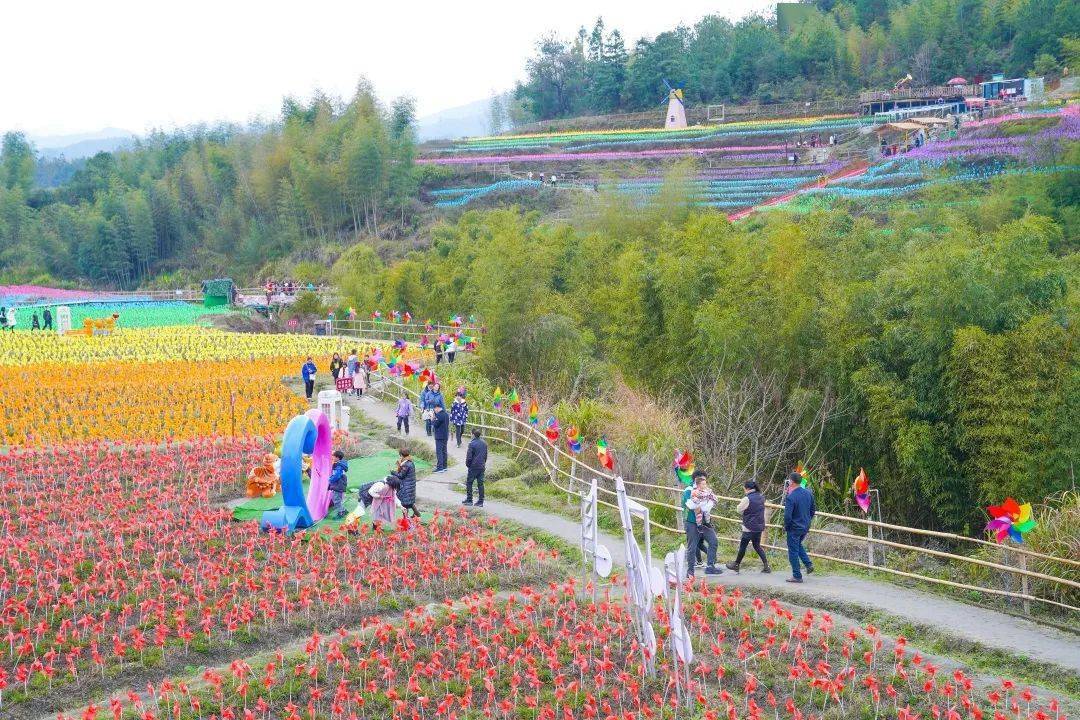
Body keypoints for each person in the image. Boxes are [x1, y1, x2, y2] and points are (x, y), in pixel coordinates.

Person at [726, 481, 771, 573]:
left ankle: (736, 564)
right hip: (759, 526)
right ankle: (767, 566)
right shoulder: (761, 497)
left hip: (749, 526)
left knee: (743, 546)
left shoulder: (747, 499)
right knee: (757, 546)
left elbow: (739, 509)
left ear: (747, 488)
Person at [683, 470, 721, 577]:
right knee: (692, 546)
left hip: (705, 522)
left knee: (713, 541)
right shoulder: (688, 490)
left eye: (705, 480)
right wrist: (705, 505)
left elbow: (712, 499)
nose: (704, 482)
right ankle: (690, 571)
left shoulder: (706, 490)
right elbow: (690, 505)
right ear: (696, 480)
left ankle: (710, 566)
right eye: (702, 480)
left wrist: (708, 504)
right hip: (692, 522)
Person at [783, 472, 816, 583]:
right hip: (805, 526)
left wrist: (786, 527)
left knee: (792, 551)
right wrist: (807, 521)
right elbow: (812, 510)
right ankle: (808, 564)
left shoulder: (791, 497)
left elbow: (787, 516)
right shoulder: (808, 493)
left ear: (791, 482)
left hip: (794, 527)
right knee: (797, 545)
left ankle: (797, 575)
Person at [391, 447, 420, 518]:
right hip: (410, 486)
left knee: (404, 504)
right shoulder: (410, 462)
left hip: (406, 487)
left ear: (401, 455)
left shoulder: (406, 464)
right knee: (410, 502)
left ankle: (406, 519)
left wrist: (393, 472)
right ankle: (417, 514)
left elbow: (401, 475)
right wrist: (399, 465)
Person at [463, 429, 488, 506]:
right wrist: (483, 463)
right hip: (481, 466)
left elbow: (469, 457)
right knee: (480, 484)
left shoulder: (472, 444)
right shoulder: (484, 443)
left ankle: (469, 500)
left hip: (473, 467)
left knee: (469, 483)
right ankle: (480, 501)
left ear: (473, 434)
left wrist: (468, 465)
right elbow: (485, 456)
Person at [327, 451, 350, 519]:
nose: (332, 457)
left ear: (337, 457)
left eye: (333, 456)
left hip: (339, 485)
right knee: (336, 499)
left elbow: (336, 476)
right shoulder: (339, 464)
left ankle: (341, 512)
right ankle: (343, 510)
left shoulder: (339, 466)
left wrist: (330, 479)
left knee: (336, 500)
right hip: (339, 484)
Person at [431, 404, 449, 472]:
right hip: (445, 435)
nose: (434, 410)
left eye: (434, 409)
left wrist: (432, 419)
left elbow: (435, 424)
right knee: (444, 451)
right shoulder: (446, 414)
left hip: (439, 436)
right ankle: (444, 466)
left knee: (439, 452)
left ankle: (440, 467)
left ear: (437, 408)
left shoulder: (439, 415)